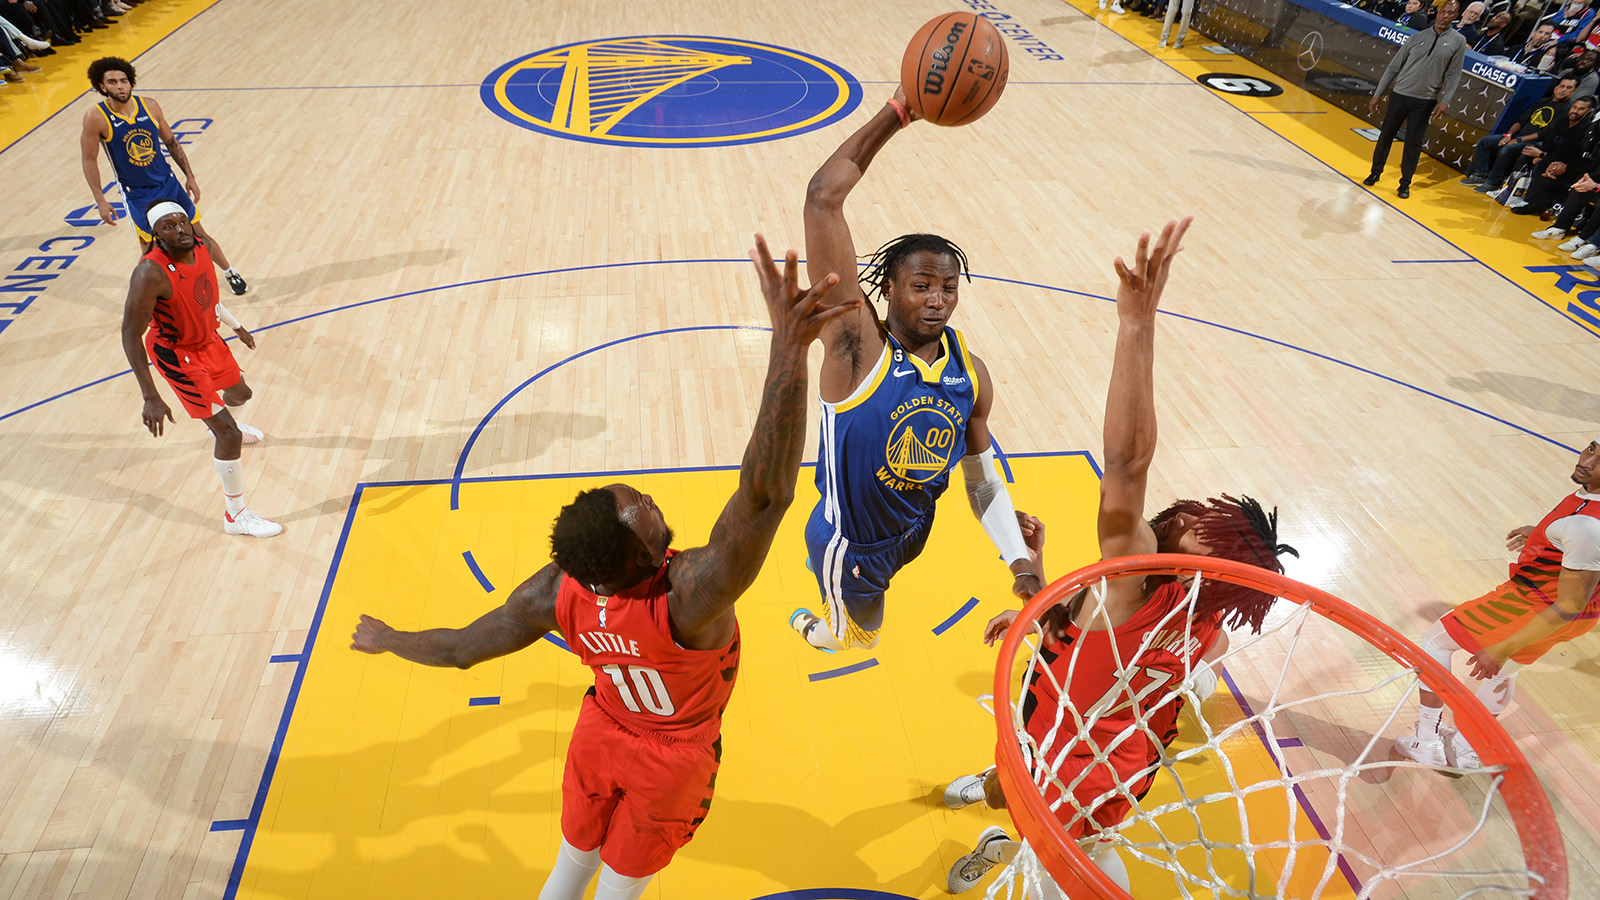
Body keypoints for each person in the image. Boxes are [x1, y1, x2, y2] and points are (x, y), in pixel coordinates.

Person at [349, 238, 856, 900]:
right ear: (644, 558)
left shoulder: (553, 591)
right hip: (673, 759)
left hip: (600, 734)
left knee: (569, 868)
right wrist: (788, 351)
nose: (647, 499)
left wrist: (391, 639)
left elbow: (458, 652)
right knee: (619, 890)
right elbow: (766, 495)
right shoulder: (688, 598)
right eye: (641, 510)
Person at [941, 219, 1298, 895]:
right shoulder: (1205, 627)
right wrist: (1042, 595)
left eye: (1204, 528)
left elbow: (1126, 463)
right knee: (1011, 787)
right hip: (1107, 752)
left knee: (1047, 838)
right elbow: (1092, 647)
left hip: (1081, 762)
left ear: (1207, 566)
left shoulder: (1139, 580)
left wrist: (1137, 325)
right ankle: (998, 811)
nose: (1190, 513)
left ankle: (1000, 845)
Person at [787, 89, 1042, 654]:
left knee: (871, 620)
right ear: (888, 289)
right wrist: (899, 112)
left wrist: (1020, 561)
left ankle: (841, 622)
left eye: (948, 287)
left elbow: (981, 479)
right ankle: (820, 627)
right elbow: (822, 198)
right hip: (848, 548)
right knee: (857, 639)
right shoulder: (857, 349)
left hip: (911, 533)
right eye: (921, 286)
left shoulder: (969, 373)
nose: (937, 300)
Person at [1394, 438, 1600, 769]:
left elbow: (1570, 599)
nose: (1589, 462)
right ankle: (1465, 749)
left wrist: (1504, 645)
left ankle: (1427, 740)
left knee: (1436, 640)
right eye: (1592, 448)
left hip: (1537, 604)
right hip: (1580, 615)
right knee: (1507, 669)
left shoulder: (1587, 526)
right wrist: (1546, 535)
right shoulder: (1587, 509)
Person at [119, 202, 278, 537]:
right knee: (230, 434)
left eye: (183, 222)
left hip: (208, 340)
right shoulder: (150, 273)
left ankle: (214, 417)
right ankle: (236, 516)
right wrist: (150, 395)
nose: (180, 230)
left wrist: (236, 327)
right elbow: (130, 334)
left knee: (241, 393)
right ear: (155, 234)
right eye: (169, 226)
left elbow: (206, 298)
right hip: (176, 354)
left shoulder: (201, 249)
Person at [79, 57, 249, 295]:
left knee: (199, 234)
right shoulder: (95, 117)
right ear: (102, 86)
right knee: (149, 248)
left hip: (168, 183)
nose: (120, 86)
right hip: (136, 194)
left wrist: (189, 176)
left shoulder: (149, 106)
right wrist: (100, 199)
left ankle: (229, 272)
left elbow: (170, 142)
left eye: (124, 81)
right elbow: (89, 159)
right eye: (113, 82)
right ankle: (153, 294)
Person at [1364, 0, 1468, 199]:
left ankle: (1405, 183)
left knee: (1413, 143)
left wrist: (1446, 100)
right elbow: (1394, 67)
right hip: (1400, 95)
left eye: (1450, 13)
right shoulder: (1417, 37)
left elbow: (1454, 74)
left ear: (1456, 16)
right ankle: (1375, 172)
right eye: (1443, 12)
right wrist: (1378, 94)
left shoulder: (1458, 41)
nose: (1445, 16)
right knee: (1386, 135)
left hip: (1425, 100)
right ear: (1437, 13)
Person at [1462, 75, 1577, 191]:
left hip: (1536, 142)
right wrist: (1509, 135)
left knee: (1506, 150)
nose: (1563, 90)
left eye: (1568, 88)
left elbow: (1545, 133)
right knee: (1484, 141)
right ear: (1555, 88)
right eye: (1562, 86)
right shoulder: (1542, 102)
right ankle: (1481, 175)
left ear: (1574, 91)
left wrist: (1518, 140)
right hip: (1518, 137)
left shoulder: (1566, 110)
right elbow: (1521, 121)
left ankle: (1493, 182)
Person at [1507, 95, 1597, 214]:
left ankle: (1536, 203)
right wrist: (1542, 153)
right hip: (1551, 153)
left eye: (1580, 109)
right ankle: (1511, 191)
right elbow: (1549, 140)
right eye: (1574, 107)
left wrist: (1543, 156)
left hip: (1567, 161)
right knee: (1527, 153)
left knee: (1544, 165)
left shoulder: (1586, 128)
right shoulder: (1561, 119)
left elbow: (1569, 151)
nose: (1575, 111)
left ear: (1588, 111)